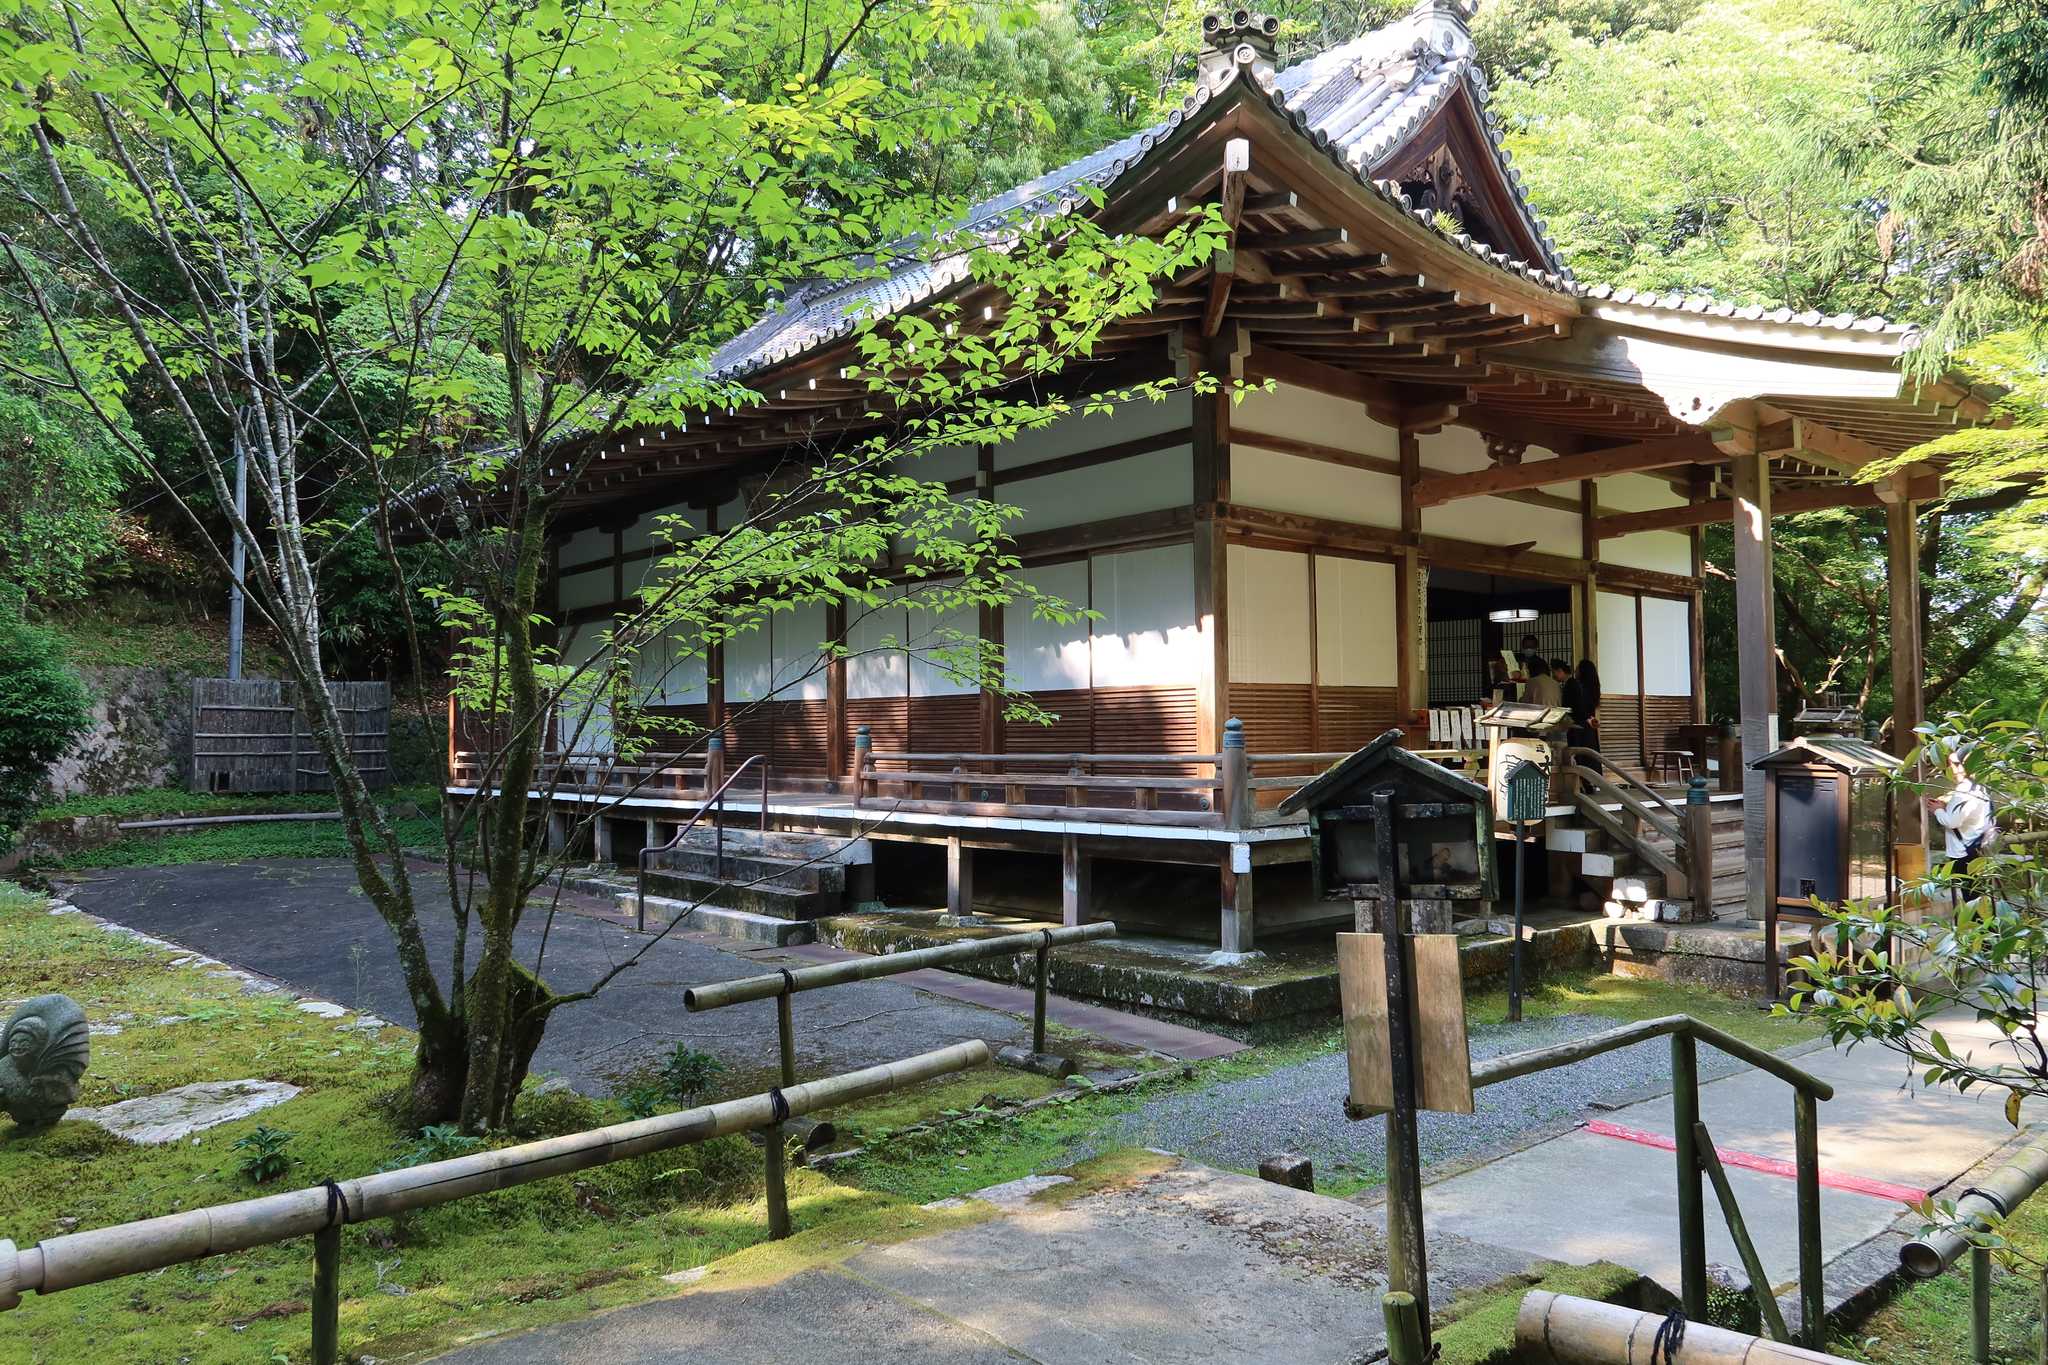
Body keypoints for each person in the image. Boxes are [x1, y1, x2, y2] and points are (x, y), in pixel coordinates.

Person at [1930, 747, 1995, 863]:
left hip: (1963, 852)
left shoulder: (1963, 790)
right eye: (1950, 765)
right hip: (1978, 847)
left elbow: (1952, 822)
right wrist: (1944, 807)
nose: (1954, 770)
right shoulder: (1980, 786)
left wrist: (1937, 810)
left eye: (1957, 764)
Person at [1561, 659, 1600, 764]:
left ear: (1583, 671)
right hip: (1589, 729)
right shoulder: (1593, 687)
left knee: (1580, 759)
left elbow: (1577, 708)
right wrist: (1590, 718)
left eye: (1578, 668)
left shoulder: (1576, 686)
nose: (1575, 670)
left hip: (1578, 728)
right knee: (1590, 758)